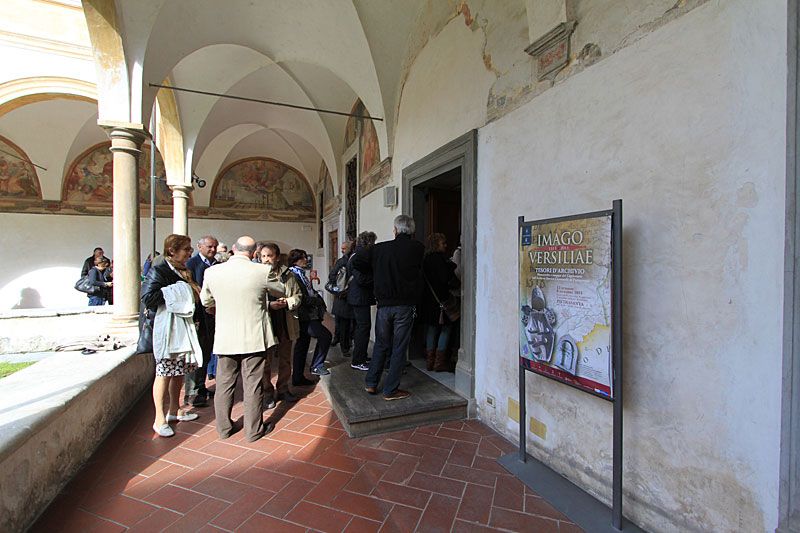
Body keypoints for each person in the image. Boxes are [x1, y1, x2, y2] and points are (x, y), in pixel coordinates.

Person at [200, 236, 286, 442]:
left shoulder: (212, 272)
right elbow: (280, 290)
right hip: (253, 336)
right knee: (253, 384)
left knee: (224, 384)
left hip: (225, 337)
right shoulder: (262, 271)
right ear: (255, 252)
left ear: (232, 249)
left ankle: (223, 428)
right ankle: (253, 430)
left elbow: (205, 300)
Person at [353, 215, 424, 400]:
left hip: (384, 306)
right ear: (412, 232)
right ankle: (390, 390)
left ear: (395, 230)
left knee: (381, 345)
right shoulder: (417, 248)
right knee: (399, 347)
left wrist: (376, 272)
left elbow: (357, 260)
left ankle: (371, 383)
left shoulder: (379, 249)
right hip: (405, 306)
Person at [140, 234, 203, 438]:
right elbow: (148, 297)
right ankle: (159, 419)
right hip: (167, 329)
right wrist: (179, 291)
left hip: (182, 328)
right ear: (172, 251)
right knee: (164, 372)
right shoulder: (160, 269)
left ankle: (175, 410)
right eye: (186, 249)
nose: (189, 253)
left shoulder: (184, 270)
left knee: (179, 371)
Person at [261, 243, 302, 405]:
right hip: (266, 322)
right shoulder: (256, 275)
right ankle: (267, 392)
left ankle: (283, 388)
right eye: (263, 256)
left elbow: (298, 295)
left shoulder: (288, 275)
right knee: (266, 361)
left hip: (285, 321)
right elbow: (251, 300)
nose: (266, 260)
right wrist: (268, 305)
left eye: (269, 256)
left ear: (277, 257)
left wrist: (288, 302)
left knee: (285, 358)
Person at [285, 248, 332, 385]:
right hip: (304, 315)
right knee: (325, 336)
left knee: (302, 345)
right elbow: (301, 298)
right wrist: (317, 301)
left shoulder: (300, 274)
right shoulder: (294, 275)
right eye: (303, 258)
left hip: (307, 315)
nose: (306, 260)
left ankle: (298, 377)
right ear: (295, 261)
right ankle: (316, 365)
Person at [184, 235, 218, 407]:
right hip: (198, 317)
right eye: (209, 247)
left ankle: (201, 386)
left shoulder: (218, 265)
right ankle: (192, 392)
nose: (212, 250)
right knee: (196, 354)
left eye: (215, 247)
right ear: (200, 247)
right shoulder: (192, 265)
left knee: (206, 352)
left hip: (212, 318)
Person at [422, 233, 458, 371]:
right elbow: (444, 278)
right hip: (440, 300)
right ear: (436, 244)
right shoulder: (438, 260)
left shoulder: (425, 259)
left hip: (429, 300)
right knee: (446, 328)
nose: (445, 245)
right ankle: (439, 362)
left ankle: (430, 362)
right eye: (443, 243)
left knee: (431, 329)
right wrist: (451, 266)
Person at [347, 231, 377, 371]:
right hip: (359, 297)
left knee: (363, 328)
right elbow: (361, 279)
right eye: (373, 243)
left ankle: (362, 356)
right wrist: (377, 278)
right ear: (368, 244)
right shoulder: (358, 257)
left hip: (359, 297)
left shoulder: (357, 255)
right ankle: (358, 360)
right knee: (363, 329)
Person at [329, 240, 355, 354]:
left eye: (344, 248)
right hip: (346, 296)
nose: (342, 250)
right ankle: (345, 345)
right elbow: (332, 276)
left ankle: (340, 341)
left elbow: (332, 276)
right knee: (345, 323)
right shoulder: (348, 260)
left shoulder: (343, 261)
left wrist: (337, 290)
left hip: (342, 296)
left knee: (342, 321)